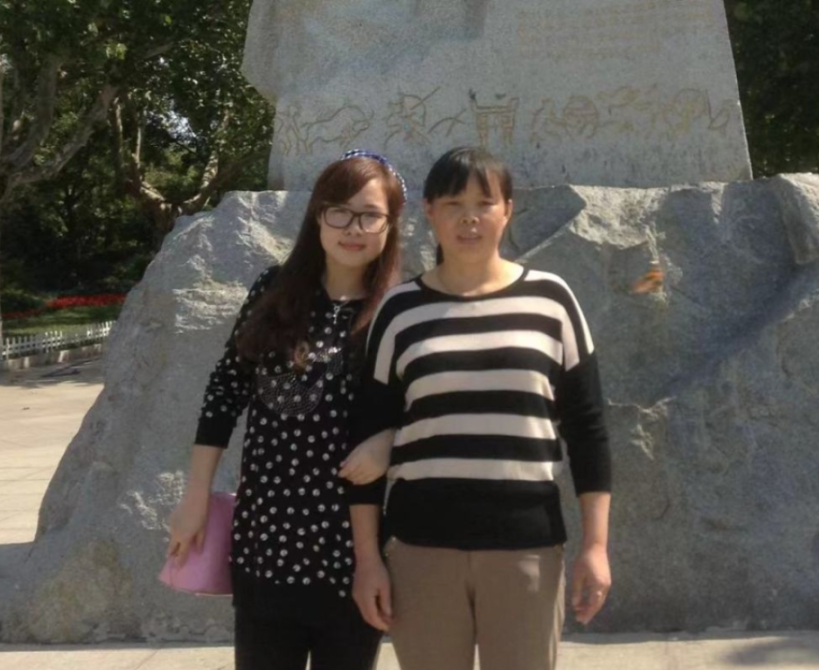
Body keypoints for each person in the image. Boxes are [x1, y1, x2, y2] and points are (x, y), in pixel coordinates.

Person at [343, 147, 612, 670]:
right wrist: (368, 560)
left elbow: (588, 429)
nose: (469, 218)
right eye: (453, 204)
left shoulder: (552, 300)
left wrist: (596, 546)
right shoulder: (399, 311)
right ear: (429, 211)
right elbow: (367, 437)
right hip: (421, 549)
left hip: (526, 548)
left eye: (484, 203)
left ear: (507, 210)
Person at [166, 150, 406, 670]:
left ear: (390, 225)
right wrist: (196, 495)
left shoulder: (398, 311)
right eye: (339, 211)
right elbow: (225, 390)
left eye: (370, 215)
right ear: (318, 216)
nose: (353, 228)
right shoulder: (274, 291)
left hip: (354, 548)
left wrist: (390, 443)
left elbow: (426, 406)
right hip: (267, 539)